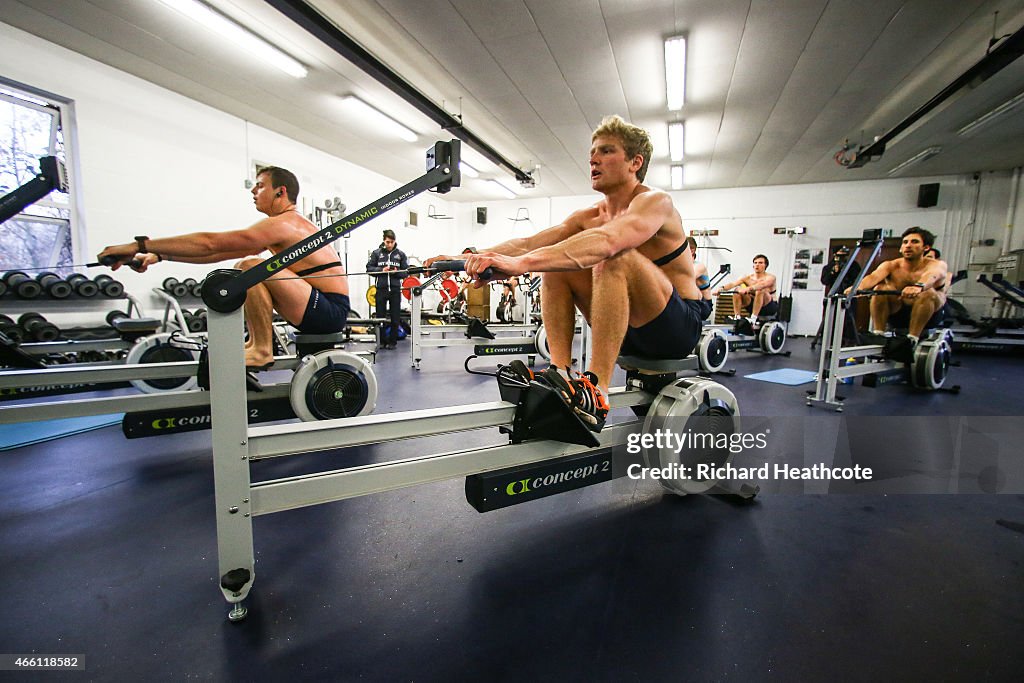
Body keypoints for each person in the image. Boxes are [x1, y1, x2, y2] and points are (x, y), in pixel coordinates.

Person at [428, 115, 703, 432]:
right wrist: (464, 258)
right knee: (555, 262)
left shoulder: (655, 202)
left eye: (606, 151)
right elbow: (529, 243)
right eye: (592, 153)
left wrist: (521, 265)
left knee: (611, 256)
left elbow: (611, 240)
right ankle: (562, 373)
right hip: (628, 331)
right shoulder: (589, 216)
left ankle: (595, 390)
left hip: (677, 330)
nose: (593, 159)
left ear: (634, 162)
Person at [97, 166, 349, 369]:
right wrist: (159, 255)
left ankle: (262, 348)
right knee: (244, 265)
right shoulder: (284, 226)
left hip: (328, 309)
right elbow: (217, 253)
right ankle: (256, 344)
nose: (253, 191)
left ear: (280, 192)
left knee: (250, 266)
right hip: (318, 307)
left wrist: (139, 245)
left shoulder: (286, 224)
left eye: (260, 186)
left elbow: (210, 243)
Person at [849, 226, 947, 349]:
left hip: (930, 315)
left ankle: (912, 339)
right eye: (905, 242)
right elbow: (873, 277)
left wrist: (919, 286)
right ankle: (878, 334)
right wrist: (856, 288)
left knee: (929, 293)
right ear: (901, 248)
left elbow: (932, 275)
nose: (908, 245)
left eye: (914, 242)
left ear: (926, 247)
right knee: (880, 288)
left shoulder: (937, 265)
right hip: (898, 312)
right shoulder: (891, 265)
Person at [365, 229, 408, 349]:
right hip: (381, 289)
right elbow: (369, 269)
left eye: (392, 242)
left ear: (395, 241)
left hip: (395, 290)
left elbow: (406, 273)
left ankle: (393, 342)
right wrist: (381, 270)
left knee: (395, 317)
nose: (389, 244)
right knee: (380, 317)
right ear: (384, 241)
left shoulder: (401, 254)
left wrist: (396, 272)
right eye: (387, 242)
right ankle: (382, 341)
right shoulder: (376, 254)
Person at [813, 245, 862, 349]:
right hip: (833, 295)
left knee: (849, 319)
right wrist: (833, 272)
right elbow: (825, 281)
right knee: (830, 318)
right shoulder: (828, 267)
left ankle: (849, 341)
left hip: (848, 295)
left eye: (844, 255)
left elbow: (858, 279)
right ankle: (828, 340)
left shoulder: (853, 265)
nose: (842, 258)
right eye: (839, 255)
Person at [713, 254, 778, 322]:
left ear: (765, 265)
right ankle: (737, 317)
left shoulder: (771, 277)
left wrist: (748, 288)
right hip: (752, 306)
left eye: (760, 263)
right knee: (737, 290)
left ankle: (753, 319)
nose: (757, 265)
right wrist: (721, 289)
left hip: (768, 307)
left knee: (760, 290)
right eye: (755, 263)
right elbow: (733, 284)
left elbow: (762, 284)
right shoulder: (748, 278)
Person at [687, 236, 714, 320]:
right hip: (690, 303)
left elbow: (688, 279)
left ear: (692, 250)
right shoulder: (681, 268)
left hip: (703, 306)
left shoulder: (699, 266)